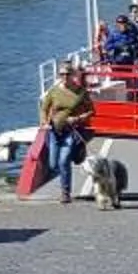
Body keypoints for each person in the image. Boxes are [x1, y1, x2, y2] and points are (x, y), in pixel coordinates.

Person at [38, 62, 96, 206]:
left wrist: (78, 118)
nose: (64, 77)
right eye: (62, 74)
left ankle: (65, 193)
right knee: (53, 164)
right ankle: (65, 176)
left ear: (73, 75)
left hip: (71, 131)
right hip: (54, 131)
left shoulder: (81, 92)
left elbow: (92, 111)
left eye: (67, 74)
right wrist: (44, 122)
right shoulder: (54, 91)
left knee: (64, 161)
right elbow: (44, 108)